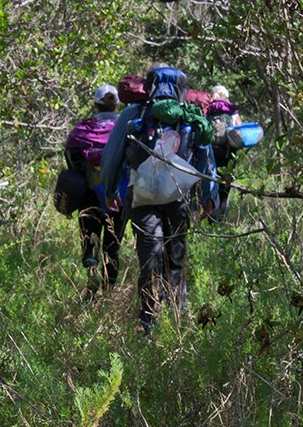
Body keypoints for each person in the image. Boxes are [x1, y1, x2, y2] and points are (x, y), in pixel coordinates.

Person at [101, 64, 218, 333]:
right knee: (175, 255)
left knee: (149, 255)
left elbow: (111, 156)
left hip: (141, 196)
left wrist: (110, 191)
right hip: (179, 196)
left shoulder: (134, 113)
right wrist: (208, 197)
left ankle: (149, 320)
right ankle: (179, 317)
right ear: (182, 89)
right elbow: (206, 157)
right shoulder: (190, 116)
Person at [64, 83, 125, 296]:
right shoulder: (125, 127)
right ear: (118, 105)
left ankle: (91, 276)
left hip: (89, 194)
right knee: (112, 244)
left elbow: (71, 159)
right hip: (118, 195)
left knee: (89, 236)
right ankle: (109, 292)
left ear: (95, 105)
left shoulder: (82, 130)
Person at [206, 84, 243, 222]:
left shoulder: (207, 110)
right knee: (225, 187)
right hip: (228, 153)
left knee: (211, 184)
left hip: (210, 153)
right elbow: (240, 132)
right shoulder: (232, 111)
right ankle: (222, 219)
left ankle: (211, 217)